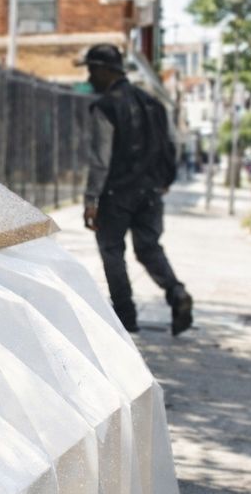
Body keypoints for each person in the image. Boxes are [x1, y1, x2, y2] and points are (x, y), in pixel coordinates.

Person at [79, 43, 193, 336]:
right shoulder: (153, 103)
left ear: (106, 70)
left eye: (92, 69)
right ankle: (176, 292)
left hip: (116, 194)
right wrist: (164, 180)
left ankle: (126, 316)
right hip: (151, 192)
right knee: (149, 248)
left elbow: (100, 159)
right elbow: (171, 145)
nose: (90, 77)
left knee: (112, 252)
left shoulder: (106, 106)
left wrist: (91, 199)